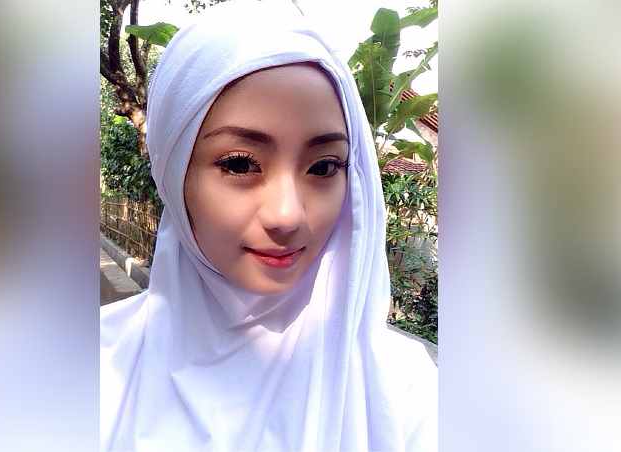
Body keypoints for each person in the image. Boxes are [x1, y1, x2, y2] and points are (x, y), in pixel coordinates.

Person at [100, 2, 437, 450]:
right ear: (173, 172)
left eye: (323, 166)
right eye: (240, 163)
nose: (288, 215)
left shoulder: (404, 390)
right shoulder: (92, 367)